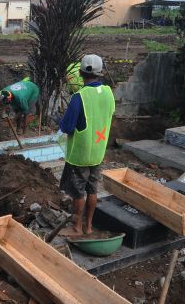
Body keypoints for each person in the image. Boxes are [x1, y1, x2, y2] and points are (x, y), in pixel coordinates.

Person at [59, 54, 115, 234]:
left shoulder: (79, 97)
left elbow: (67, 127)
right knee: (93, 189)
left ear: (81, 73)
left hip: (80, 155)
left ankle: (77, 225)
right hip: (98, 152)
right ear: (101, 73)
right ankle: (89, 226)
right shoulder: (108, 93)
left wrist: (60, 120)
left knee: (78, 192)